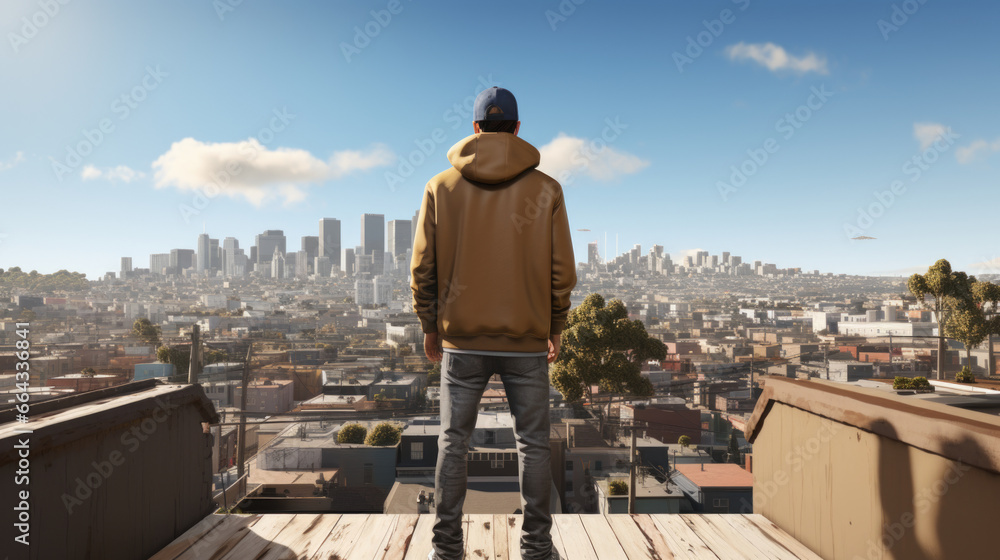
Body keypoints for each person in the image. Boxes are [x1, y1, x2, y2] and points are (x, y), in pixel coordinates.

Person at [410, 86, 576, 560]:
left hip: (460, 342)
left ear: (476, 129)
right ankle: (537, 549)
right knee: (534, 446)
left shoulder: (441, 187)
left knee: (453, 443)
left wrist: (430, 325)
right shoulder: (547, 190)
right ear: (518, 130)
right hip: (527, 340)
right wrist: (555, 325)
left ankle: (446, 551)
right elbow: (563, 269)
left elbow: (423, 267)